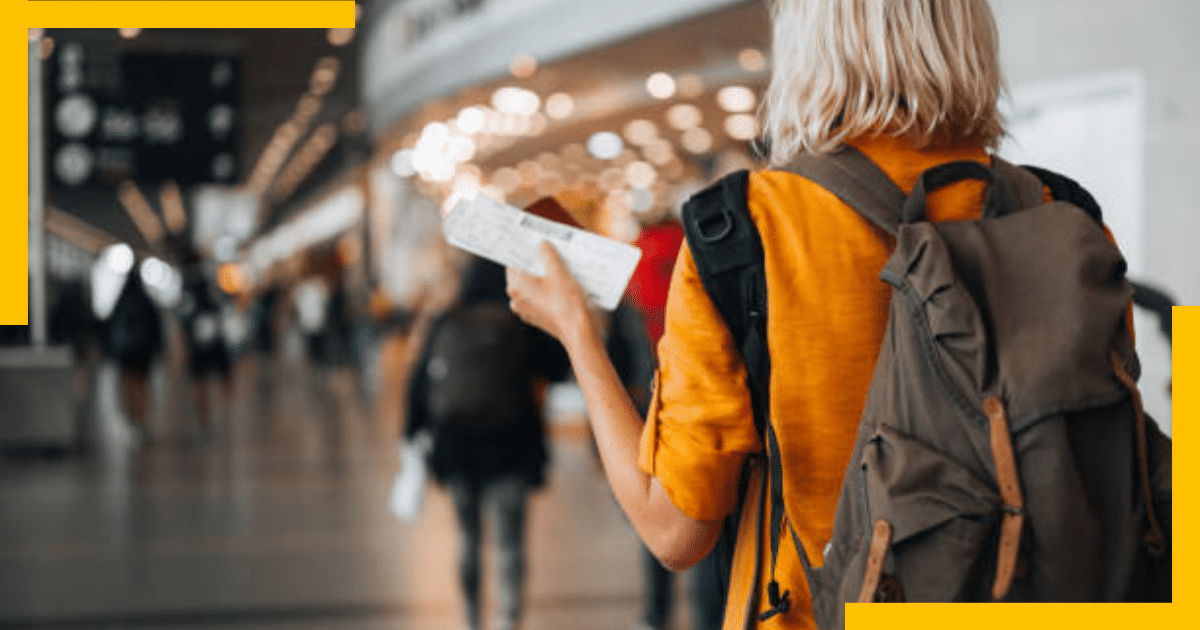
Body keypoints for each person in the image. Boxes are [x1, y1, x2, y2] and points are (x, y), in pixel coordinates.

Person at [505, 1, 1038, 628]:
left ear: (809, 47)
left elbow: (675, 532)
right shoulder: (1058, 215)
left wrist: (577, 333)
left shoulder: (744, 229)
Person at [405, 256, 568, 630]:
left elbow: (419, 383)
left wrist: (412, 432)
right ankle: (507, 620)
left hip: (456, 446)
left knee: (468, 536)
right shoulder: (520, 322)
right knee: (509, 543)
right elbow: (558, 368)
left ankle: (470, 619)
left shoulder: (445, 320)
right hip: (511, 445)